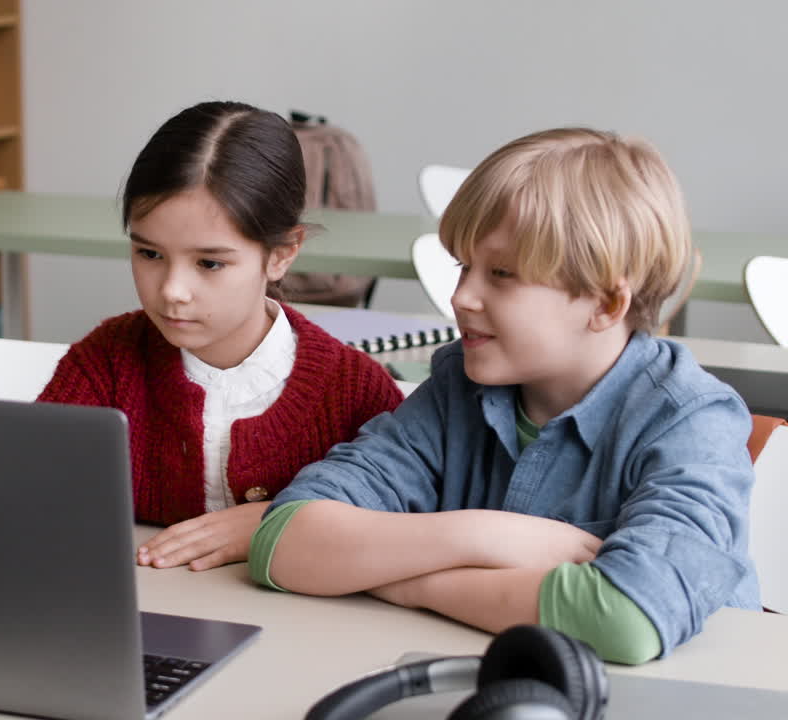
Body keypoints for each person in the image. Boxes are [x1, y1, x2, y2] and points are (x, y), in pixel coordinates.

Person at [251, 127, 760, 664]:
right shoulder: (458, 389)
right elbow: (284, 543)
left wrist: (409, 585)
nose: (461, 296)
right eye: (463, 266)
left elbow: (627, 619)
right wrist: (487, 537)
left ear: (607, 304)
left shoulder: (691, 421)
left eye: (501, 274)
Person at [37, 101, 404, 571]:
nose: (172, 291)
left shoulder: (355, 391)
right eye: (149, 253)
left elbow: (403, 522)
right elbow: (29, 490)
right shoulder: (105, 362)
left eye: (209, 263)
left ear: (282, 254)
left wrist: (283, 520)